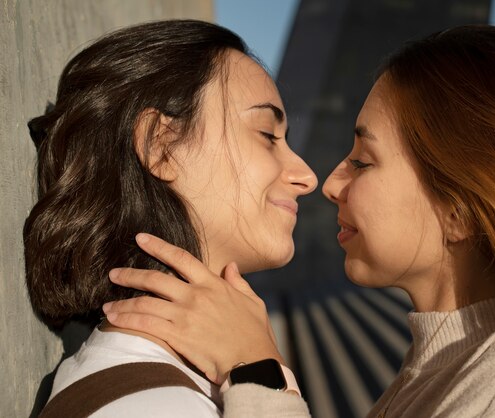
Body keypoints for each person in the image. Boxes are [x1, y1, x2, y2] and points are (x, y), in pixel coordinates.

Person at [103, 25, 495, 417]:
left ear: (460, 209)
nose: (327, 183)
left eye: (363, 161)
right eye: (267, 137)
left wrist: (256, 368)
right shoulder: (443, 369)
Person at [24, 19, 316, 417]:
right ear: (159, 145)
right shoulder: (152, 406)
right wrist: (262, 371)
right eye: (267, 134)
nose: (307, 177)